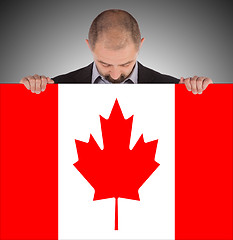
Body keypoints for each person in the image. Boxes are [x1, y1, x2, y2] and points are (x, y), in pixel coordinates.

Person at [20, 9, 213, 94]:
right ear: (89, 46)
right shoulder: (56, 89)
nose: (115, 75)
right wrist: (28, 94)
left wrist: (203, 95)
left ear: (140, 46)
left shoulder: (173, 90)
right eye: (104, 63)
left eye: (125, 64)